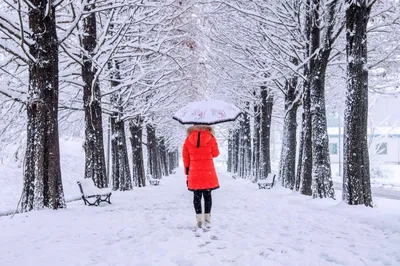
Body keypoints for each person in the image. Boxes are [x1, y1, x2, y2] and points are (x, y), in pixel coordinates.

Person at [182, 125, 220, 229]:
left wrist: (187, 172)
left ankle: (199, 220)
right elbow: (216, 154)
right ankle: (207, 219)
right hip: (208, 171)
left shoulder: (188, 140)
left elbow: (186, 158)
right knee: (207, 195)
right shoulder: (211, 138)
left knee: (197, 196)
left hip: (194, 172)